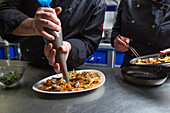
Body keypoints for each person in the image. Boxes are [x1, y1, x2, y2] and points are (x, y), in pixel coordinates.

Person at [0, 0, 106, 73]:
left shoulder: (97, 3)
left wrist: (68, 47)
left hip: (70, 70)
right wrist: (31, 26)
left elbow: (90, 42)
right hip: (30, 67)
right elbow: (4, 14)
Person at [111, 0, 170, 68]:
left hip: (166, 71)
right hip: (131, 70)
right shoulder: (128, 2)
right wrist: (116, 41)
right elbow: (116, 31)